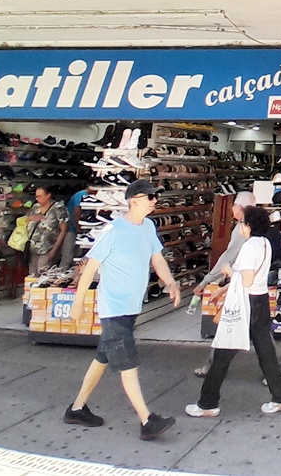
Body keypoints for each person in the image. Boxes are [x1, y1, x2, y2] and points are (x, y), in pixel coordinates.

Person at [63, 179, 180, 441]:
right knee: (128, 363)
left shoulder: (148, 227)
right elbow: (90, 268)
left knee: (103, 358)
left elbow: (157, 258)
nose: (154, 201)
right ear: (135, 201)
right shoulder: (112, 230)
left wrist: (170, 282)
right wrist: (78, 303)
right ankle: (147, 420)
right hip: (113, 308)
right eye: (150, 197)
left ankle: (77, 409)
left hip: (130, 308)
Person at [186, 205, 281, 417]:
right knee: (266, 351)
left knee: (223, 352)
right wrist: (225, 288)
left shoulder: (248, 247)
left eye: (242, 222)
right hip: (260, 300)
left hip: (245, 304)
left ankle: (207, 404)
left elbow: (246, 279)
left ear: (249, 225)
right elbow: (254, 279)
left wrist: (228, 271)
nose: (240, 226)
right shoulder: (264, 243)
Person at [27, 186, 69, 276]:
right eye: (36, 196)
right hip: (33, 246)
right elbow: (28, 221)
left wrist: (54, 250)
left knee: (43, 272)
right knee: (32, 274)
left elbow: (63, 230)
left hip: (48, 247)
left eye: (40, 196)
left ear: (48, 195)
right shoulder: (35, 207)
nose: (37, 199)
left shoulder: (58, 208)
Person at [59, 188, 87, 269]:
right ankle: (62, 274)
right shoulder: (80, 195)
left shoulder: (84, 195)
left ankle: (72, 274)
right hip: (71, 229)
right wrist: (79, 230)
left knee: (76, 255)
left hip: (80, 229)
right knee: (67, 255)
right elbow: (76, 213)